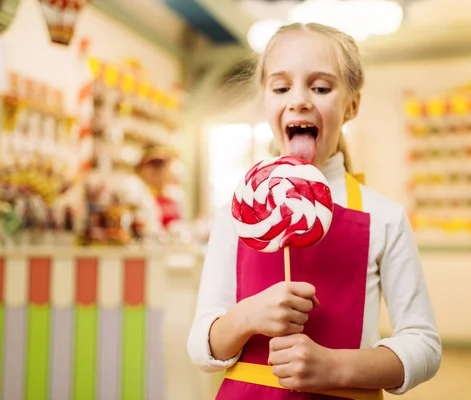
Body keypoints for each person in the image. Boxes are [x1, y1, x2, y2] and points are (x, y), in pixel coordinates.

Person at [187, 22, 441, 399]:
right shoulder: (237, 213)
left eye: (321, 87)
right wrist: (246, 317)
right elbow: (201, 348)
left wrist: (335, 367)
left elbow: (424, 344)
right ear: (266, 101)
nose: (300, 100)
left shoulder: (385, 217)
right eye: (281, 87)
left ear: (352, 104)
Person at [135, 144, 183, 230]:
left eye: (162, 165)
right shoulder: (136, 194)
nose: (159, 171)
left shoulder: (176, 195)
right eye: (153, 165)